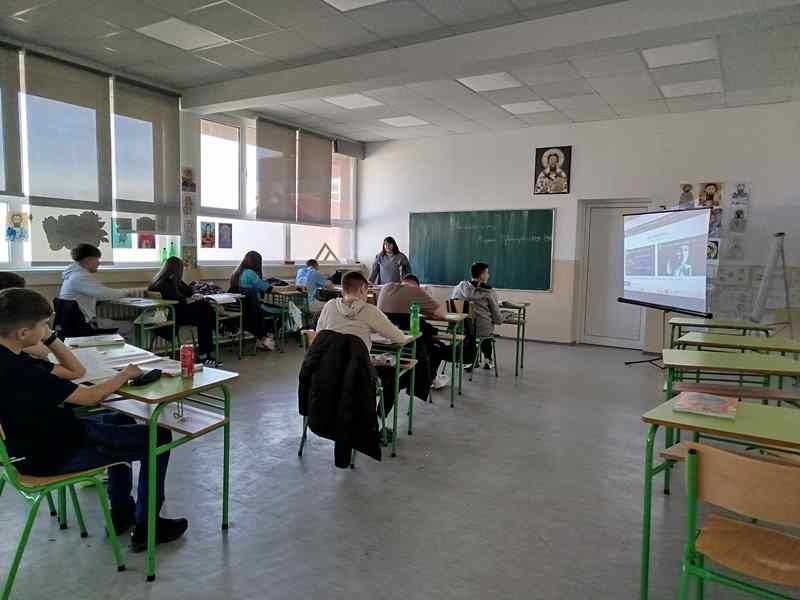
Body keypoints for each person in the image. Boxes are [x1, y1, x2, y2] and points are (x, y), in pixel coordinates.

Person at [0, 288, 188, 551]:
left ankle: (121, 511)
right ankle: (149, 527)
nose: (46, 330)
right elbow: (91, 397)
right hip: (55, 454)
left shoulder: (12, 357)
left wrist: (50, 337)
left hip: (26, 448)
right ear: (23, 333)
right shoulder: (23, 371)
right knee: (160, 436)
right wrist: (125, 374)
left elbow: (75, 371)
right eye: (43, 325)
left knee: (121, 419)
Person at [377, 274, 450, 389]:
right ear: (416, 285)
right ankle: (432, 378)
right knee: (436, 345)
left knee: (426, 337)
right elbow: (442, 314)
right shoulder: (415, 290)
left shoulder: (386, 287)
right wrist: (423, 310)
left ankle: (430, 378)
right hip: (409, 345)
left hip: (383, 345)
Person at [149, 257, 220, 367]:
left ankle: (205, 354)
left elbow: (188, 291)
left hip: (177, 313)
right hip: (173, 315)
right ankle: (217, 330)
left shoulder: (162, 281)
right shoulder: (163, 284)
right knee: (204, 310)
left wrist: (194, 295)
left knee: (204, 314)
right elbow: (177, 300)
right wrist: (191, 299)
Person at [58, 244, 134, 337]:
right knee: (129, 325)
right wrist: (126, 292)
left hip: (73, 323)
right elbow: (104, 293)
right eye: (97, 260)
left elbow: (96, 295)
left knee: (115, 321)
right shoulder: (80, 277)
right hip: (85, 325)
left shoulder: (71, 275)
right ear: (88, 260)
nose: (99, 263)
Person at [230, 251, 294, 351]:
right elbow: (269, 289)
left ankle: (264, 336)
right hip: (254, 308)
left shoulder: (236, 273)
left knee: (269, 311)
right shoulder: (250, 273)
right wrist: (288, 288)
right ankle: (267, 336)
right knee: (285, 311)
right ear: (257, 262)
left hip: (242, 309)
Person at [451, 262, 504, 370]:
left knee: (472, 330)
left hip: (460, 328)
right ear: (482, 275)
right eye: (487, 273)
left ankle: (469, 359)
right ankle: (488, 360)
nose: (488, 275)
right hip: (481, 329)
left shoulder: (459, 287)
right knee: (485, 330)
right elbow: (497, 319)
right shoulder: (489, 292)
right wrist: (501, 318)